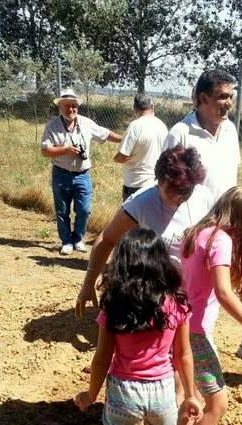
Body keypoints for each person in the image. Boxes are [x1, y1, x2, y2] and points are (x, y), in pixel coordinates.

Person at [74, 228, 203, 425]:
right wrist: (189, 393)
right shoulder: (175, 304)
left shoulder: (114, 305)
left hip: (124, 391)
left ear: (123, 264)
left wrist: (91, 394)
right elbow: (183, 354)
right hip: (161, 389)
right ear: (161, 262)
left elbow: (102, 357)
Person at [163, 69, 242, 370]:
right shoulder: (181, 133)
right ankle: (176, 341)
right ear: (202, 99)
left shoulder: (230, 131)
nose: (229, 103)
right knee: (194, 287)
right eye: (222, 97)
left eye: (231, 96)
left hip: (234, 219)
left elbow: (231, 177)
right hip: (198, 226)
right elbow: (167, 179)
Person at [179, 186, 242, 425]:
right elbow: (224, 292)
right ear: (241, 223)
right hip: (196, 333)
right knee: (217, 403)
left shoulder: (196, 232)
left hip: (181, 324)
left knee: (188, 396)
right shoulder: (222, 241)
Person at [75, 145, 212, 314]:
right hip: (155, 296)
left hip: (193, 295)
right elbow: (107, 239)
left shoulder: (203, 196)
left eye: (187, 191)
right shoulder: (139, 204)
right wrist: (88, 283)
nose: (181, 197)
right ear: (159, 180)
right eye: (174, 191)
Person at [40, 88, 122, 255]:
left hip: (82, 174)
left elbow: (106, 135)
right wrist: (65, 150)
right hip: (61, 174)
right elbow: (45, 151)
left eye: (74, 106)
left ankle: (78, 239)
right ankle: (66, 241)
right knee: (62, 211)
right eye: (67, 106)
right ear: (60, 108)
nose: (71, 109)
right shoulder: (52, 126)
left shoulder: (86, 123)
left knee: (84, 210)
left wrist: (128, 139)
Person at [113, 93, 168, 201]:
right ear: (152, 106)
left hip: (135, 184)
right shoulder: (162, 126)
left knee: (132, 218)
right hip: (156, 183)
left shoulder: (135, 126)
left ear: (135, 108)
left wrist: (115, 158)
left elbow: (122, 156)